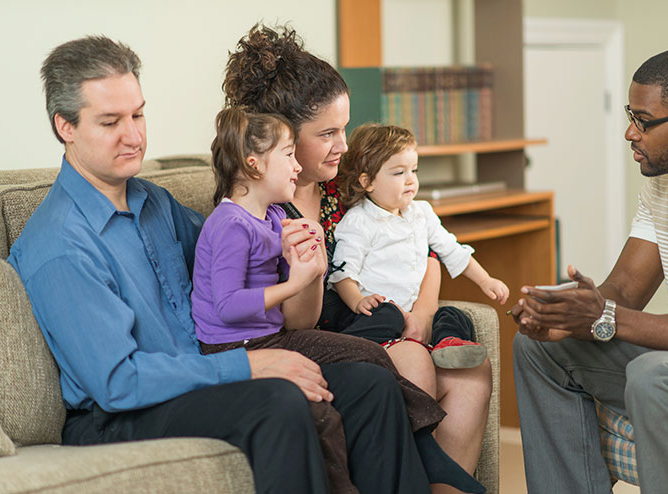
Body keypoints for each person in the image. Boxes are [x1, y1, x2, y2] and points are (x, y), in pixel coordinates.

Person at [8, 35, 437, 494]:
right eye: (110, 121)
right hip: (120, 413)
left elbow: (239, 247)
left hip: (202, 376)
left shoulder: (153, 201)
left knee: (367, 384)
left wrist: (294, 246)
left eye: (138, 114)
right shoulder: (61, 244)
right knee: (280, 400)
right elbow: (117, 383)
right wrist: (248, 366)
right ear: (65, 126)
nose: (133, 136)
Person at [222, 24, 493, 492]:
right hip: (319, 338)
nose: (344, 146)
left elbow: (420, 243)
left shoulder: (343, 187)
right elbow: (292, 324)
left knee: (470, 371)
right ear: (281, 138)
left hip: (378, 318)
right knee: (410, 360)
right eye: (327, 133)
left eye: (343, 128)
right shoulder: (258, 209)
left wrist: (423, 312)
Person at [511, 47, 668, 494]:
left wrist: (607, 318)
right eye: (630, 116)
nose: (630, 132)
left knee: (658, 375)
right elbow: (625, 290)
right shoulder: (665, 183)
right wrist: (568, 315)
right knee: (538, 348)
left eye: (644, 120)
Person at [191, 106, 448, 493]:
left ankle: (423, 439)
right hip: (233, 346)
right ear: (254, 164)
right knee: (322, 412)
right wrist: (295, 283)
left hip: (272, 337)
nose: (298, 166)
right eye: (289, 155)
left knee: (371, 355)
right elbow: (227, 307)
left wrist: (312, 262)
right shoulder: (230, 225)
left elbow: (299, 286)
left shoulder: (274, 215)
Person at [328, 123, 509, 372]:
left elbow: (451, 249)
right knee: (388, 315)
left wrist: (485, 280)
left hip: (413, 310)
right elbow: (343, 272)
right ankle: (351, 350)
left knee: (456, 316)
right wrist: (358, 300)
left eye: (413, 170)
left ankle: (448, 347)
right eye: (398, 173)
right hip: (377, 311)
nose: (411, 180)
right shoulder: (359, 221)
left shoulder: (422, 213)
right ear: (367, 182)